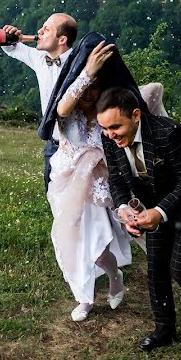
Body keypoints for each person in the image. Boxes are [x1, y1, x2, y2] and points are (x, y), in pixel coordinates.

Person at [96, 86, 181, 351]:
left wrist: (160, 212)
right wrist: (124, 209)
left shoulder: (171, 133)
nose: (110, 135)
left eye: (115, 127)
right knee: (156, 270)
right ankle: (164, 329)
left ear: (136, 115)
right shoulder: (109, 138)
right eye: (105, 129)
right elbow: (118, 180)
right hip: (153, 210)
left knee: (179, 268)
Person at [46, 41, 132, 321]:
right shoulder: (68, 111)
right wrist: (87, 72)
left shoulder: (106, 111)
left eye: (94, 86)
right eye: (84, 86)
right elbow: (60, 110)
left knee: (96, 248)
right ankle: (84, 298)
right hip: (66, 184)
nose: (88, 92)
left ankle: (113, 275)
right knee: (69, 241)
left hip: (97, 188)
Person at [0, 13, 77, 191]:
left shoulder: (79, 62)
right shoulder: (40, 59)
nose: (39, 31)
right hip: (53, 144)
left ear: (62, 39)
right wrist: (11, 37)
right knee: (53, 196)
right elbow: (13, 50)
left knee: (79, 201)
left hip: (78, 147)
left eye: (46, 29)